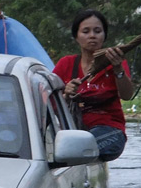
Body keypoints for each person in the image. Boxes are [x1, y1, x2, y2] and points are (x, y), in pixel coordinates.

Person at [52, 9, 134, 162]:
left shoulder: (116, 63)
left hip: (110, 131)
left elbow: (127, 95)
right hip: (73, 133)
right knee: (69, 146)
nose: (92, 36)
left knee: (81, 146)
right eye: (85, 31)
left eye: (97, 31)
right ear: (76, 36)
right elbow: (48, 103)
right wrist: (66, 95)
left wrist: (118, 69)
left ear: (104, 35)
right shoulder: (66, 64)